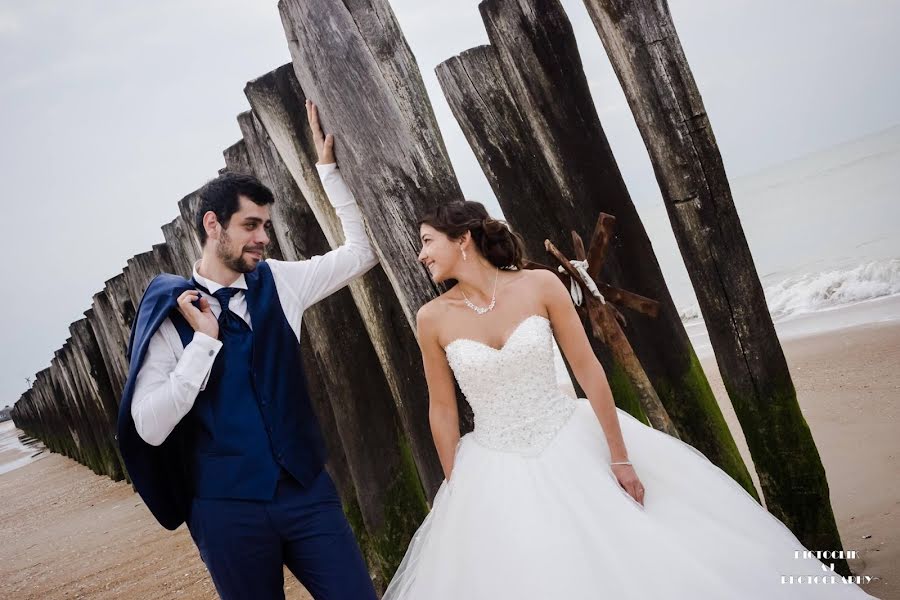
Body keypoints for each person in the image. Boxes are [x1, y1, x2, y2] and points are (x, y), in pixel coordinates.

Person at [382, 200, 877, 599]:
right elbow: (443, 409)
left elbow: (589, 371)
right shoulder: (433, 318)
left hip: (569, 437)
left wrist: (619, 456)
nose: (421, 254)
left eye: (427, 242)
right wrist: (458, 488)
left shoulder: (540, 285)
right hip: (493, 463)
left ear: (462, 239)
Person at [116, 100, 380, 600]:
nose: (264, 238)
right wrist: (203, 346)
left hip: (307, 495)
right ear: (212, 226)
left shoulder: (280, 281)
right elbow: (148, 426)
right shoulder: (170, 313)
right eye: (251, 226)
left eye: (265, 225)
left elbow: (360, 254)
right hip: (225, 510)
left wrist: (328, 173)